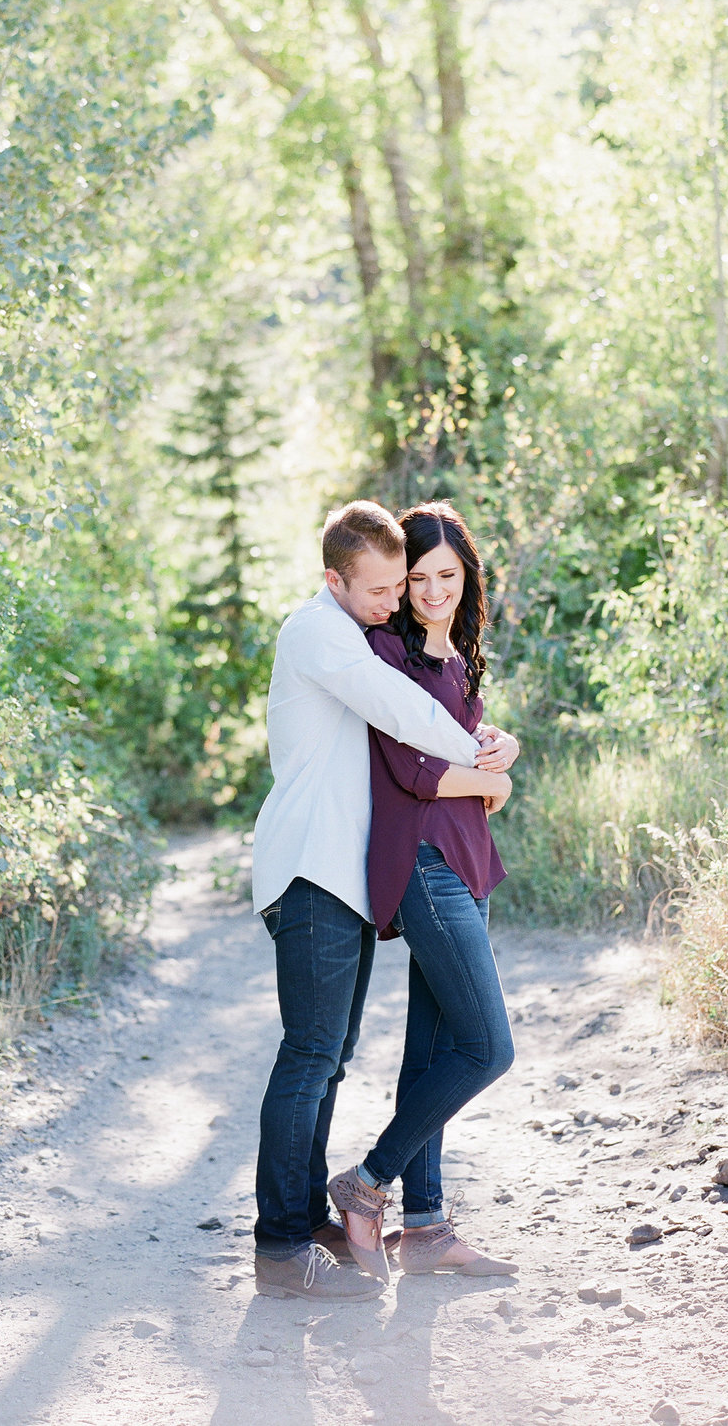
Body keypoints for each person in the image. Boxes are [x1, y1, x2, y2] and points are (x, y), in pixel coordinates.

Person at [251, 500, 518, 1301]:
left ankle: (307, 1221)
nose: (393, 602)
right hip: (309, 866)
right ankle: (280, 1244)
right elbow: (400, 712)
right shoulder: (320, 632)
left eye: (400, 586)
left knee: (328, 1061)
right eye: (380, 590)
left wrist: (498, 741)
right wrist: (484, 757)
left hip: (344, 872)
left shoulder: (358, 631)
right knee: (309, 1057)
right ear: (333, 579)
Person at [327, 501, 518, 1282]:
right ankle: (368, 1183)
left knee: (434, 1053)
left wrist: (503, 749)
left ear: (466, 575)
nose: (433, 591)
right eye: (417, 578)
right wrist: (493, 778)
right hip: (424, 867)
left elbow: (463, 757)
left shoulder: (459, 655)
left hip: (466, 863)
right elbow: (414, 772)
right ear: (397, 583)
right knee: (488, 1048)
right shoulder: (383, 651)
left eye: (447, 575)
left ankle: (428, 1225)